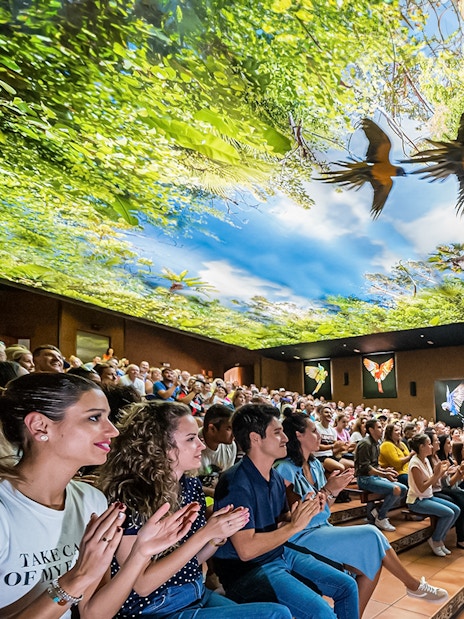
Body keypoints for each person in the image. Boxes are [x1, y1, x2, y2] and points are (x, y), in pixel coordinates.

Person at [0, 373, 200, 619]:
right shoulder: (5, 509)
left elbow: (94, 613)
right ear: (40, 426)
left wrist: (141, 553)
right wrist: (76, 579)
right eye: (94, 418)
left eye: (107, 416)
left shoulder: (91, 500)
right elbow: (79, 585)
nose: (113, 431)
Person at [97, 400, 291, 619]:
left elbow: (191, 560)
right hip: (155, 608)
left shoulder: (190, 486)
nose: (201, 445)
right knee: (276, 614)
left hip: (194, 593)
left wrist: (215, 538)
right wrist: (205, 534)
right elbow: (142, 584)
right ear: (159, 446)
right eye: (191, 439)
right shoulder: (131, 495)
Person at [275, 414, 447, 615]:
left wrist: (334, 491)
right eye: (313, 431)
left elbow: (324, 507)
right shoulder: (284, 469)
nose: (319, 434)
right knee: (372, 534)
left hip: (322, 528)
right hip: (301, 534)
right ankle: (413, 585)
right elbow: (288, 516)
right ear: (299, 435)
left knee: (372, 562)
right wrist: (328, 491)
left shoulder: (314, 465)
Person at [213, 403, 360, 619]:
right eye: (277, 432)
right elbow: (246, 550)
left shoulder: (274, 477)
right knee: (321, 613)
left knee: (347, 585)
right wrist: (294, 525)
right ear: (255, 438)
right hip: (247, 570)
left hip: (278, 553)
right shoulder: (236, 482)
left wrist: (304, 511)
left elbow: (282, 519)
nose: (285, 438)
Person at [407, 433, 460, 556]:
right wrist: (436, 474)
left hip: (428, 497)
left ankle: (440, 539)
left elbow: (433, 480)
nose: (431, 446)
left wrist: (442, 472)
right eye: (429, 444)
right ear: (421, 447)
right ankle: (435, 539)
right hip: (417, 500)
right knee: (449, 513)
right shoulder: (415, 464)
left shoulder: (425, 459)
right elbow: (421, 488)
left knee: (456, 510)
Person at [355, 419, 407, 532]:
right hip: (364, 478)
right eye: (379, 427)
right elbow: (365, 468)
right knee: (396, 489)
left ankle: (377, 512)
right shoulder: (365, 444)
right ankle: (381, 517)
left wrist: (384, 470)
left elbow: (375, 465)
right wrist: (384, 474)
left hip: (374, 476)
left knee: (403, 489)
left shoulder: (377, 443)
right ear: (371, 429)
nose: (382, 429)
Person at [430, 432, 464, 549]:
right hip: (439, 490)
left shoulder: (447, 459)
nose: (450, 445)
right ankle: (460, 538)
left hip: (445, 488)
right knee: (460, 501)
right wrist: (458, 471)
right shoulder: (436, 460)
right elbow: (446, 483)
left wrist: (458, 471)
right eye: (448, 443)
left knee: (460, 498)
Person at [198, 404, 237, 496]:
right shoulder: (191, 444)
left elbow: (225, 478)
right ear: (212, 429)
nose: (234, 434)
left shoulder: (231, 446)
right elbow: (184, 485)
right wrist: (215, 493)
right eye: (229, 428)